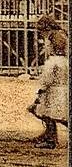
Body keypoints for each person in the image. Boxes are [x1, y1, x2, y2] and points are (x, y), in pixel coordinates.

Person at [29, 15, 67, 149]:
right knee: (59, 116)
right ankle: (48, 135)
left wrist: (40, 93)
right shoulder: (64, 61)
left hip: (53, 93)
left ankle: (51, 139)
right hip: (62, 91)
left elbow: (47, 80)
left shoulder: (53, 62)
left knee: (45, 112)